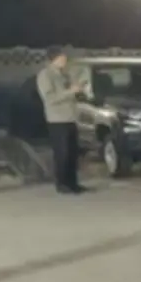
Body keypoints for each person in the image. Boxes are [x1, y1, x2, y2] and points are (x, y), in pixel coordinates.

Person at [35, 48, 85, 194]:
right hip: (57, 120)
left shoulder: (65, 74)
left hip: (71, 117)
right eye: (62, 58)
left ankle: (73, 183)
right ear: (53, 59)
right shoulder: (45, 75)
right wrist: (70, 92)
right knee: (62, 153)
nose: (64, 61)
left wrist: (78, 90)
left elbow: (70, 93)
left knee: (72, 153)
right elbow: (50, 98)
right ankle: (62, 184)